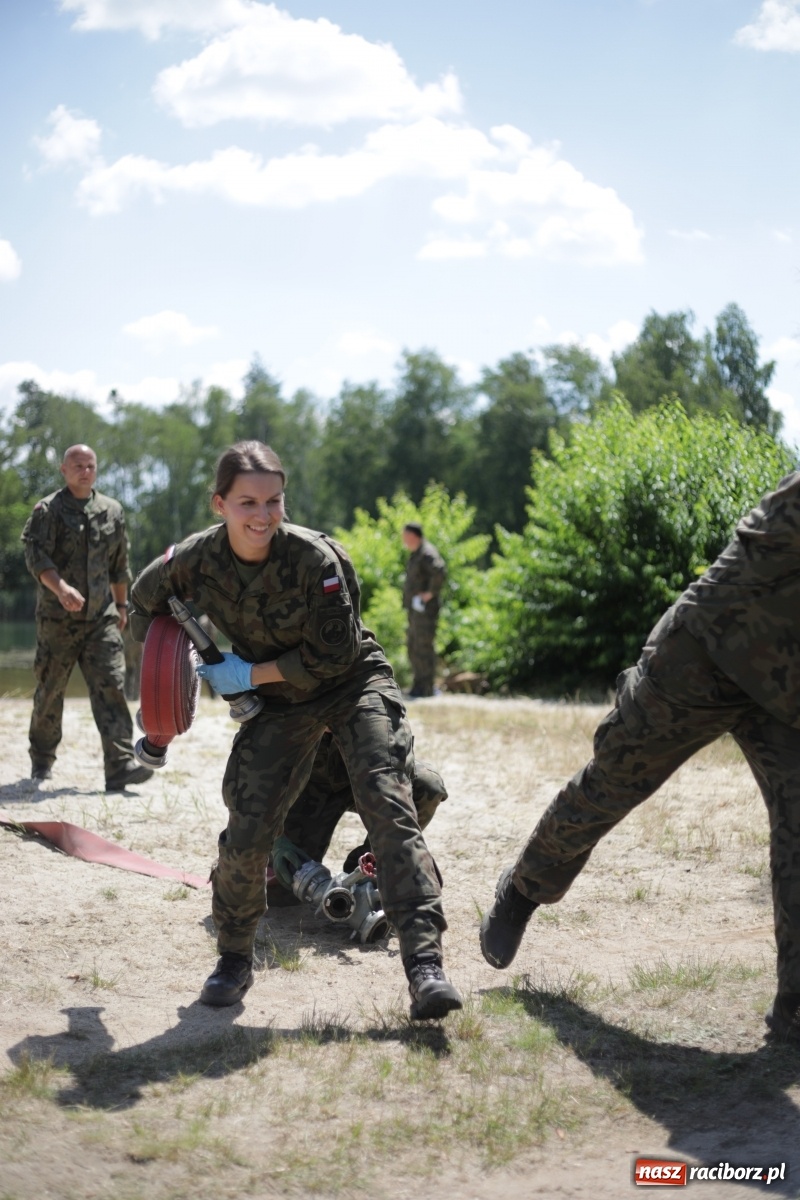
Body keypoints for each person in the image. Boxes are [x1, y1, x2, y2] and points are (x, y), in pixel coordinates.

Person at [129, 441, 462, 1020]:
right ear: (220, 503)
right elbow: (140, 607)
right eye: (246, 503)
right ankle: (233, 959)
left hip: (350, 683)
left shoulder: (316, 560)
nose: (261, 516)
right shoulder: (192, 559)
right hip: (279, 703)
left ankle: (424, 965)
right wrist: (177, 663)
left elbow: (330, 661)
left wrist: (244, 673)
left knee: (389, 802)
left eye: (273, 501)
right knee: (249, 825)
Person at [480, 470, 800, 1044]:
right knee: (613, 783)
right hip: (705, 655)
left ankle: (796, 1006)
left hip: (785, 692)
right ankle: (524, 888)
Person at [21, 444, 153, 791]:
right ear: (64, 470)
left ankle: (120, 765)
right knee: (51, 690)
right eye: (77, 465)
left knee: (112, 685)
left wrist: (122, 607)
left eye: (90, 465)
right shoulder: (47, 510)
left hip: (101, 620)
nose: (85, 471)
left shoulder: (112, 511)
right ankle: (42, 759)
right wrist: (61, 588)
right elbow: (36, 556)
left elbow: (120, 565)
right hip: (57, 621)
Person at [269, 731, 448, 901]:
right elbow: (253, 774)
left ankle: (370, 865)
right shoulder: (287, 699)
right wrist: (275, 838)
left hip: (369, 777)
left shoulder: (372, 701)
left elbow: (397, 757)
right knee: (283, 886)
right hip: (306, 785)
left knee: (427, 784)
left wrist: (396, 844)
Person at [402, 522, 446, 698]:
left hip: (425, 611)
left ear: (414, 536)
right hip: (416, 610)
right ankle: (418, 685)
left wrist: (430, 593)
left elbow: (440, 571)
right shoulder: (417, 554)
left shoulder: (427, 553)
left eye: (406, 536)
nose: (404, 540)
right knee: (414, 646)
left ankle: (426, 687)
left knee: (423, 646)